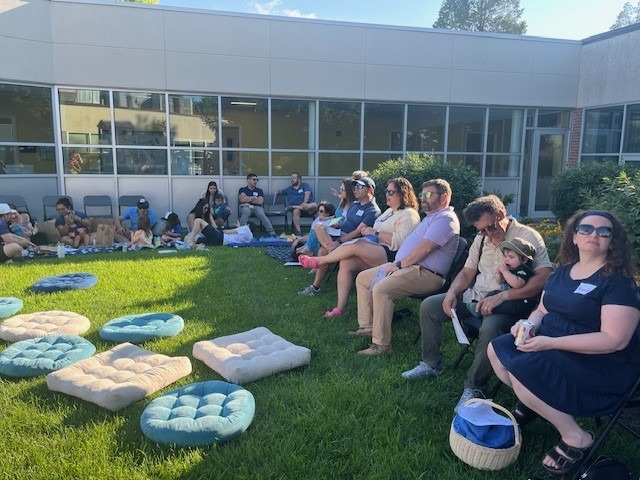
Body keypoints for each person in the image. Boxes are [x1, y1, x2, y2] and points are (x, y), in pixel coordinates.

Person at [488, 210, 640, 476]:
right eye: (586, 229)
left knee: (525, 368)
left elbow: (614, 340)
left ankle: (576, 437)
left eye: (604, 231)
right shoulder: (563, 272)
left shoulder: (618, 283)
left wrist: (550, 343)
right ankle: (537, 403)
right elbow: (542, 309)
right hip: (550, 342)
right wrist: (528, 324)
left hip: (598, 361)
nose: (594, 234)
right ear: (574, 237)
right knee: (497, 350)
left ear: (612, 241)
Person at [405, 194, 553, 413]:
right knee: (430, 306)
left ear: (501, 214)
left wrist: (503, 296)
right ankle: (431, 363)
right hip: (475, 297)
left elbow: (544, 278)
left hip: (509, 304)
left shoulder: (527, 236)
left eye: (490, 227)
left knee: (490, 327)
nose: (487, 233)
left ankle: (475, 387)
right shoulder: (481, 238)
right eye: (481, 230)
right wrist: (451, 293)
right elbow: (467, 272)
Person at [353, 179, 460, 356]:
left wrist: (399, 264)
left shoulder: (445, 219)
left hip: (426, 275)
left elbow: (425, 248)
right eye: (422, 194)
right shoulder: (432, 217)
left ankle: (381, 345)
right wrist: (397, 264)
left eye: (428, 194)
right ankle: (368, 327)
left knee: (381, 290)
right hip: (410, 268)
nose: (423, 198)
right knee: (363, 279)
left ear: (444, 197)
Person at [299, 177, 418, 318]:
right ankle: (340, 308)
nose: (387, 194)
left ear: (403, 193)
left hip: (393, 256)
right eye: (386, 191)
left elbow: (400, 242)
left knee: (357, 245)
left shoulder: (409, 214)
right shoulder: (389, 211)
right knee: (346, 262)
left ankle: (320, 261)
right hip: (375, 248)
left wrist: (374, 232)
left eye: (391, 192)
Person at [297, 177, 381, 301]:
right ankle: (332, 250)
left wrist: (340, 241)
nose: (355, 190)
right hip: (339, 234)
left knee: (322, 251)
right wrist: (336, 225)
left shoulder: (372, 210)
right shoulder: (355, 205)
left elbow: (358, 232)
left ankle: (315, 287)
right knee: (319, 227)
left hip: (352, 240)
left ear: (370, 190)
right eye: (355, 187)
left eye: (360, 187)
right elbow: (346, 222)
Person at [467, 237, 537, 318]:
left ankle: (482, 310)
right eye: (506, 257)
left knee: (505, 305)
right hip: (510, 298)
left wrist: (505, 271)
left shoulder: (523, 269)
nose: (506, 260)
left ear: (524, 259)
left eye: (511, 257)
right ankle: (479, 305)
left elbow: (517, 284)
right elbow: (499, 282)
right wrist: (499, 274)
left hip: (522, 302)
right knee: (493, 293)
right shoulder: (511, 269)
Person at [278, 172, 318, 236]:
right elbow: (282, 191)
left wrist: (305, 202)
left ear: (299, 179)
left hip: (309, 209)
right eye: (291, 178)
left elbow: (307, 193)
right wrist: (278, 191)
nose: (292, 180)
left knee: (314, 205)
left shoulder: (305, 185)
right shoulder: (289, 189)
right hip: (298, 211)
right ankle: (299, 232)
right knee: (296, 211)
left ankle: (293, 206)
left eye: (294, 178)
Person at [186, 219, 253, 247]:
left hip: (221, 237)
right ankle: (192, 243)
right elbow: (240, 236)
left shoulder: (245, 228)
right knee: (187, 237)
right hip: (219, 243)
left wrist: (218, 230)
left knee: (198, 220)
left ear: (248, 225)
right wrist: (239, 227)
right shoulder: (250, 237)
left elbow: (229, 232)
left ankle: (191, 240)